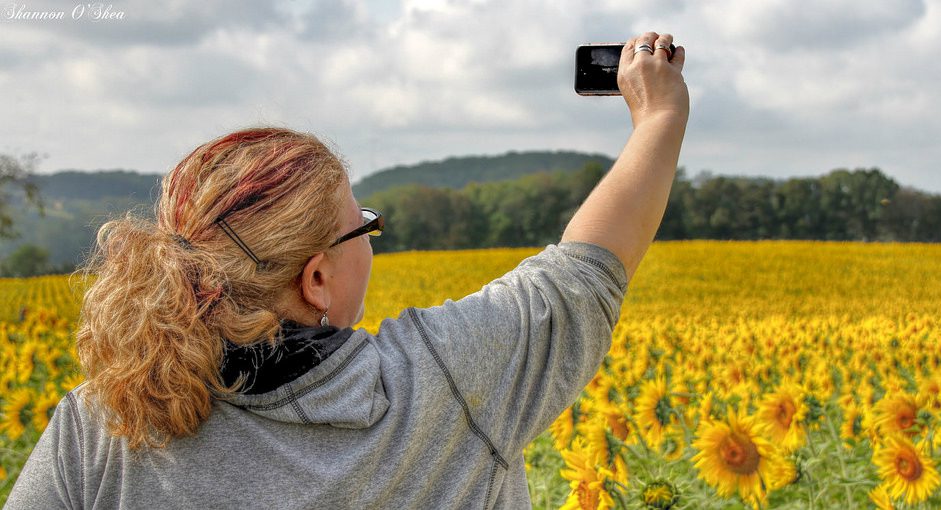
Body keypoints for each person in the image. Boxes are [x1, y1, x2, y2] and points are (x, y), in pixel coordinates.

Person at [5, 31, 688, 509]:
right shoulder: (444, 383)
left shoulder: (102, 427)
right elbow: (589, 269)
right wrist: (660, 116)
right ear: (317, 281)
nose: (371, 234)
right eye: (363, 225)